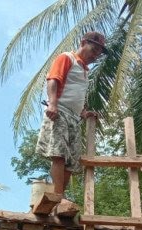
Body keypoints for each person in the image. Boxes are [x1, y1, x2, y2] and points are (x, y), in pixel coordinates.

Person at [36, 31, 106, 211]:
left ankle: (60, 195)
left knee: (71, 161)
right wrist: (52, 104)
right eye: (94, 49)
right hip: (59, 112)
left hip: (74, 117)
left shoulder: (84, 71)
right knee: (58, 154)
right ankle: (58, 197)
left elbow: (75, 94)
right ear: (83, 43)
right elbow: (53, 80)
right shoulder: (67, 58)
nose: (96, 54)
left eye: (99, 52)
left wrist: (84, 112)